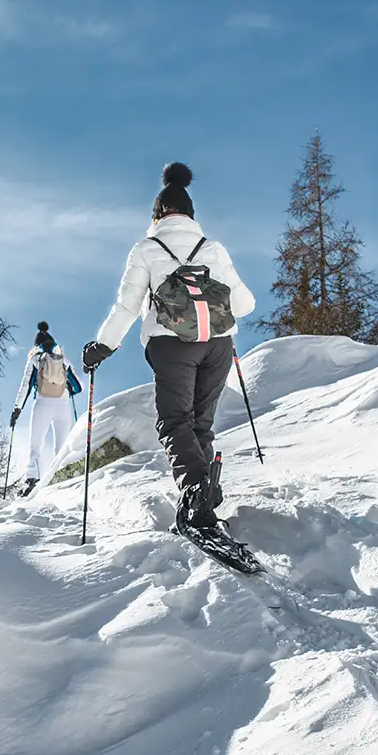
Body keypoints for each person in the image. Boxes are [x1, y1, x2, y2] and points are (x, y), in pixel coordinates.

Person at [82, 162, 255, 530]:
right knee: (200, 426)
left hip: (172, 345)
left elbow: (128, 306)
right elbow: (245, 305)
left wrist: (103, 345)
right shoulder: (214, 248)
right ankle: (205, 501)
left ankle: (195, 492)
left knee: (175, 422)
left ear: (157, 215)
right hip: (218, 346)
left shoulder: (146, 249)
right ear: (191, 215)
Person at [11, 322, 82, 496]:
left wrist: (17, 409)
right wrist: (67, 390)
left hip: (42, 404)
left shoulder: (35, 359)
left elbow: (25, 386)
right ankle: (63, 478)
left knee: (35, 445)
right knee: (62, 446)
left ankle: (32, 481)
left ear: (36, 345)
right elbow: (78, 387)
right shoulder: (63, 359)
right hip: (63, 405)